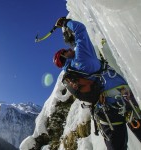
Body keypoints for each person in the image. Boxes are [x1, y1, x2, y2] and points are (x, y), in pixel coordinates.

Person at [53, 17, 141, 150]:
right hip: (124, 100)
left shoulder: (71, 73)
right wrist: (66, 23)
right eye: (65, 51)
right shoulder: (82, 58)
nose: (70, 49)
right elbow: (80, 29)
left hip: (106, 113)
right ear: (64, 56)